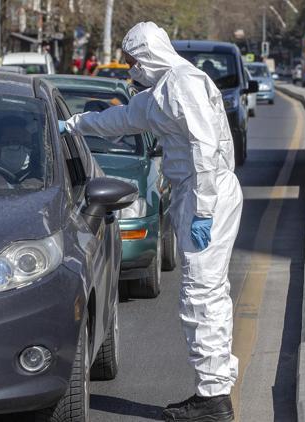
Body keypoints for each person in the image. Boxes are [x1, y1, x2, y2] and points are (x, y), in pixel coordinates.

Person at [61, 21, 242, 422]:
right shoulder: (161, 91)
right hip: (193, 191)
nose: (130, 71)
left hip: (205, 191)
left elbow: (203, 146)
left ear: (147, 55)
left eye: (132, 62)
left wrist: (206, 211)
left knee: (201, 294)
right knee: (210, 292)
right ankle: (217, 382)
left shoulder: (184, 83)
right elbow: (120, 120)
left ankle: (213, 399)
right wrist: (72, 125)